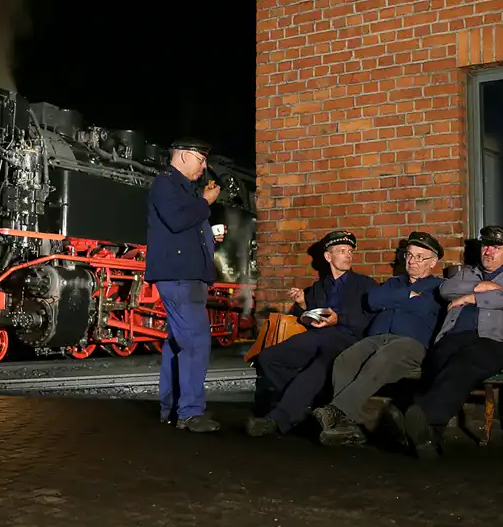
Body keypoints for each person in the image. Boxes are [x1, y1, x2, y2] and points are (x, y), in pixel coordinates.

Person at [398, 225, 503, 459]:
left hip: (491, 341)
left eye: (497, 247)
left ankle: (423, 415)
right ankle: (427, 439)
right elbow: (446, 289)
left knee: (463, 365)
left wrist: (471, 297)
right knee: (440, 363)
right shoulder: (465, 273)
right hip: (452, 338)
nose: (489, 251)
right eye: (486, 245)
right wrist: (483, 287)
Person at [313, 231, 445, 446]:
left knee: (384, 358)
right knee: (346, 359)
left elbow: (425, 306)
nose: (413, 261)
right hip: (378, 337)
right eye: (410, 255)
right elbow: (373, 300)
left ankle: (335, 411)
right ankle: (350, 427)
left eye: (420, 257)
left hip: (410, 343)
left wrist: (394, 301)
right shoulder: (394, 283)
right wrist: (406, 297)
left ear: (433, 262)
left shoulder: (439, 287)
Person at [246, 230, 378, 437]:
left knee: (321, 363)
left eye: (350, 251)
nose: (348, 255)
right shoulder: (319, 287)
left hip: (347, 339)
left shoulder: (365, 285)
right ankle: (303, 406)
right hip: (317, 336)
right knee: (268, 357)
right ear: (328, 257)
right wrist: (301, 303)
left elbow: (369, 318)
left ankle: (279, 418)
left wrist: (339, 319)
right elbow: (309, 316)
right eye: (342, 251)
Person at [145, 137, 226, 433]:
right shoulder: (166, 183)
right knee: (195, 341)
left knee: (178, 343)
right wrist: (204, 202)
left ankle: (172, 408)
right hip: (181, 276)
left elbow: (182, 227)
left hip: (186, 274)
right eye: (200, 159)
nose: (204, 166)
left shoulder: (180, 188)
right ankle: (190, 412)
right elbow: (178, 220)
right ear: (183, 156)